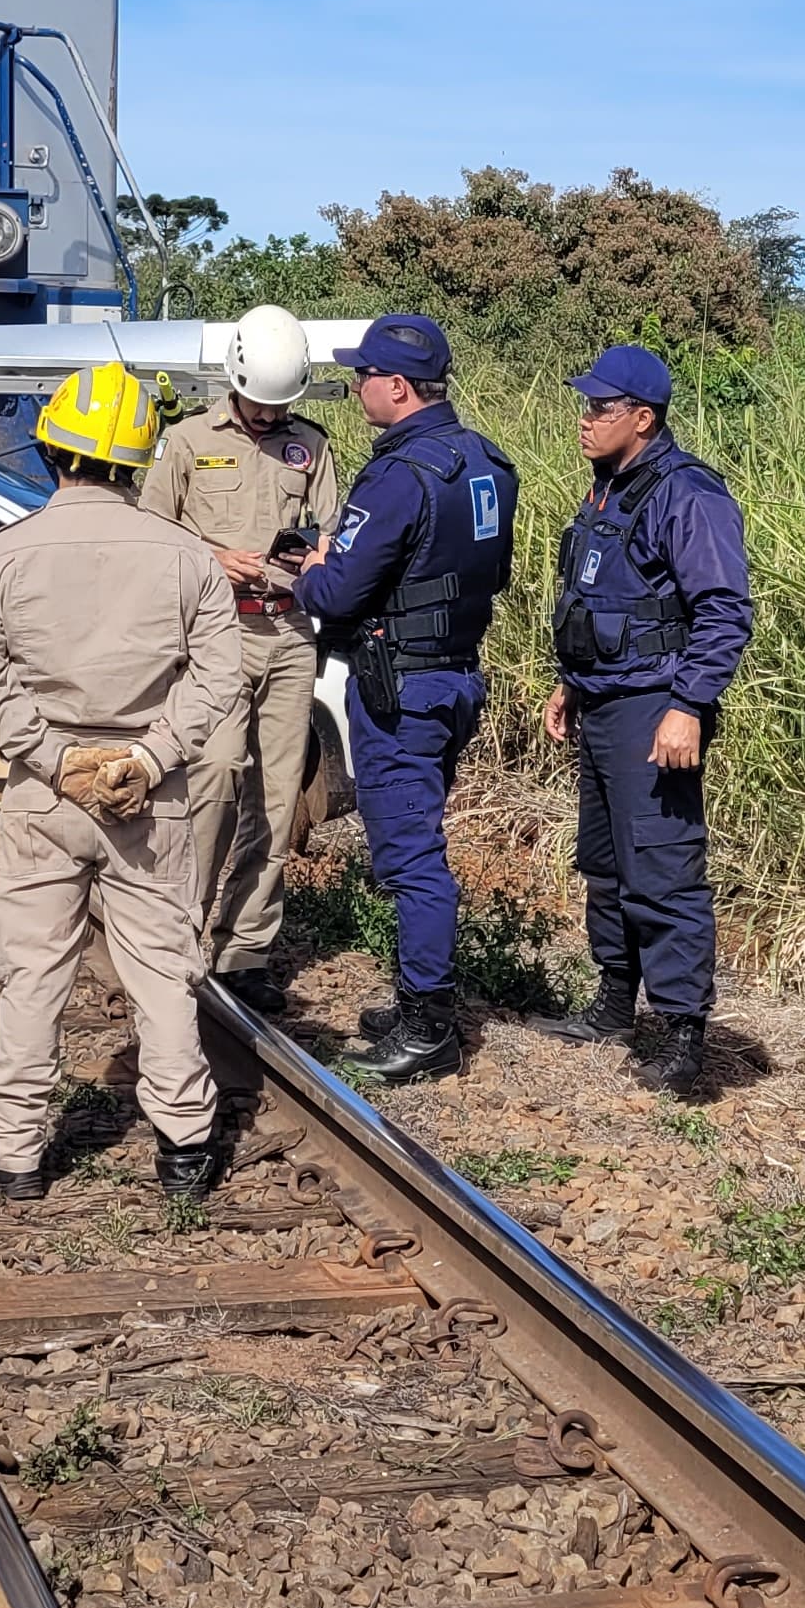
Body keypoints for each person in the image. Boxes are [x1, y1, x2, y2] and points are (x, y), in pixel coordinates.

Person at [0, 363, 243, 1202]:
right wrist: (147, 759)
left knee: (33, 969)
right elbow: (218, 680)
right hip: (152, 795)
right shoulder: (189, 559)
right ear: (138, 462)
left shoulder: (1, 557)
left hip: (46, 796)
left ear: (51, 451)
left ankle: (12, 1156)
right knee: (162, 969)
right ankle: (186, 1147)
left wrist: (57, 761)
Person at [292, 313, 518, 1083]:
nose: (357, 387)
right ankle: (420, 1000)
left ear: (397, 386)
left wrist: (309, 567)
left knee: (411, 860)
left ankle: (429, 1025)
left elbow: (337, 589)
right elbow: (492, 575)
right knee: (421, 838)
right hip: (456, 677)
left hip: (401, 689)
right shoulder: (487, 461)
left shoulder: (397, 475)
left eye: (364, 376)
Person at [538, 345, 753, 1095]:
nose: (584, 419)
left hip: (653, 710)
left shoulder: (687, 494)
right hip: (601, 701)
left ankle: (683, 1035)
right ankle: (612, 1003)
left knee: (661, 870)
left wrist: (688, 705)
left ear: (642, 417)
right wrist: (570, 684)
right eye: (586, 405)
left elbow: (723, 612)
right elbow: (600, 600)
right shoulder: (608, 488)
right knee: (604, 863)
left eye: (599, 408)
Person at [136, 304, 344, 1014]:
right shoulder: (188, 442)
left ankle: (246, 946)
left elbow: (330, 540)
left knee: (277, 798)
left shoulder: (311, 447)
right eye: (259, 400)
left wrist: (306, 562)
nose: (268, 414)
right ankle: (177, 933)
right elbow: (148, 532)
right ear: (235, 382)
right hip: (215, 636)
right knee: (215, 778)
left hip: (288, 634)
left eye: (280, 403)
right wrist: (209, 559)